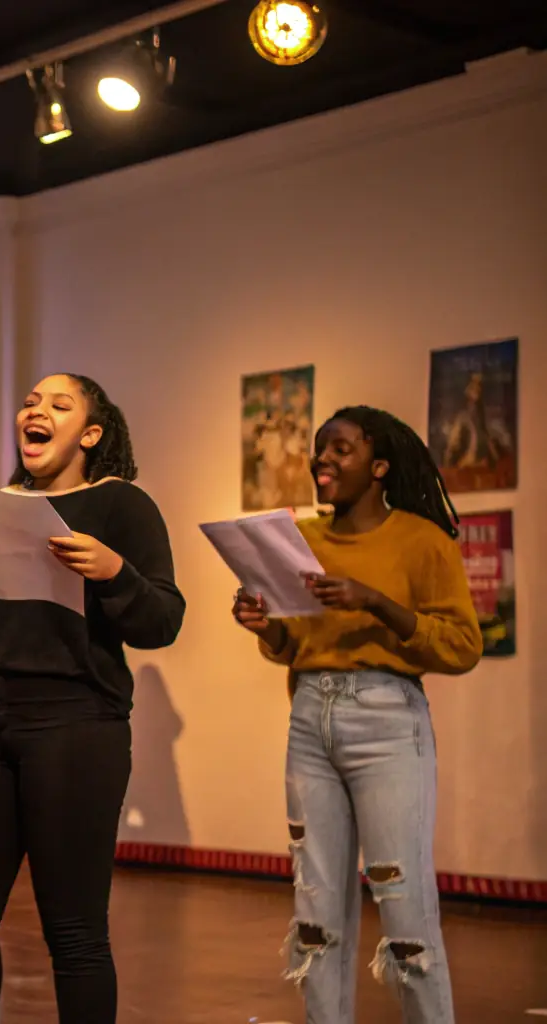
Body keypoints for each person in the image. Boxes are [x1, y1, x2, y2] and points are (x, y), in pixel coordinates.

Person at [0, 373, 185, 1023]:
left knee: (73, 931)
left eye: (59, 405)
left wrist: (113, 572)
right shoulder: (2, 506)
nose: (37, 410)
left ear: (90, 434)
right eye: (31, 402)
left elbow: (163, 621)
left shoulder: (120, 505)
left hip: (75, 725)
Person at [232, 406, 480, 1024]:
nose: (323, 460)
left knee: (404, 910)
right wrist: (268, 630)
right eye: (320, 450)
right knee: (315, 916)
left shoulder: (423, 540)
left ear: (378, 466)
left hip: (388, 722)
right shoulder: (303, 541)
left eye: (340, 450)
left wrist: (377, 603)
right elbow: (297, 646)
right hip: (310, 716)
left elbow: (461, 646)